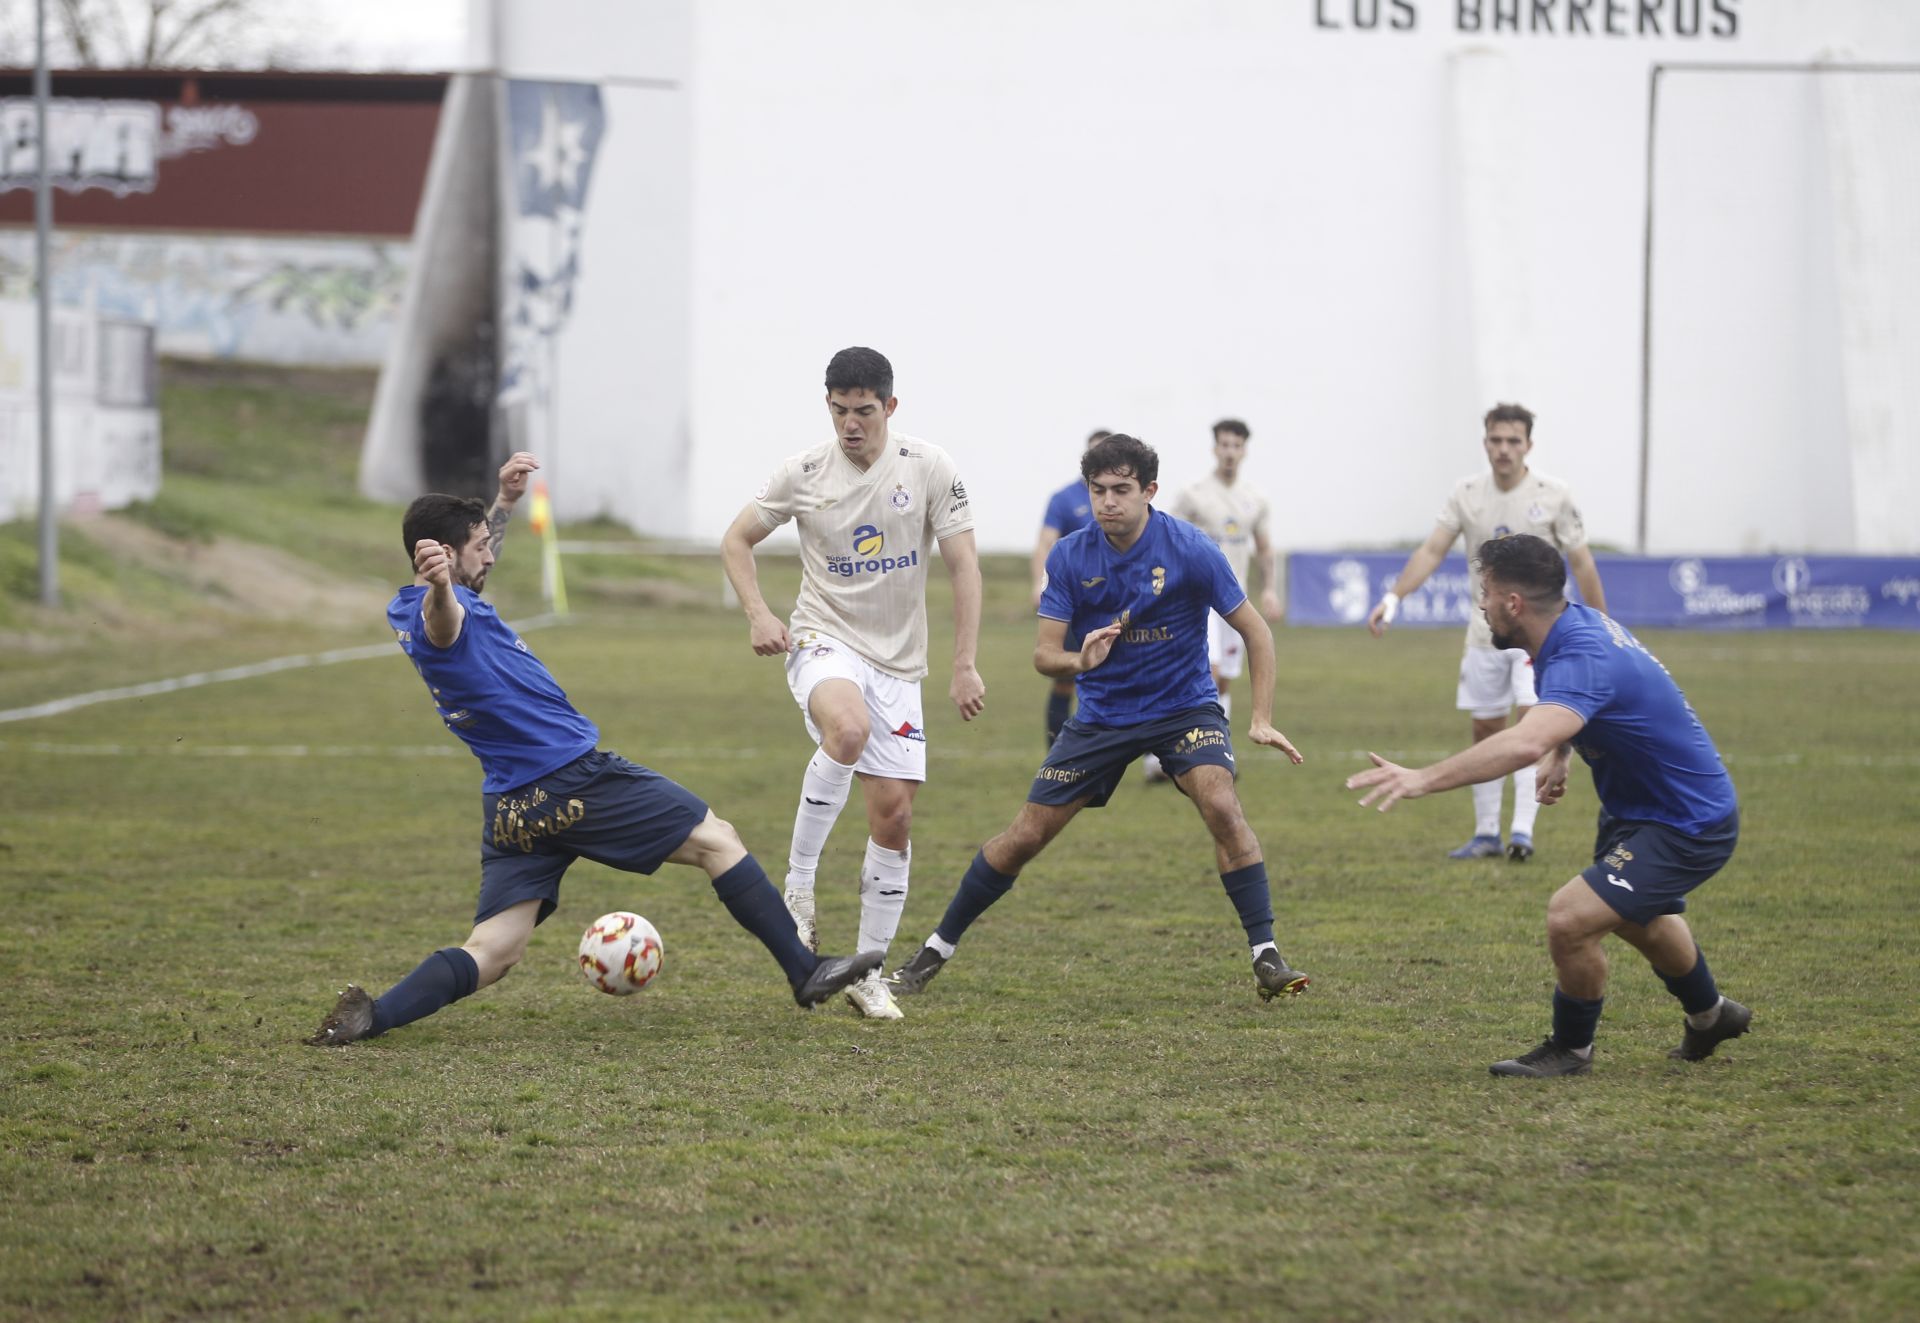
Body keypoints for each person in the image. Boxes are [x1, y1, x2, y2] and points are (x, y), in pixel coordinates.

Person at [307, 455, 881, 1045]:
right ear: (445, 556)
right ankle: (804, 969)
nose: (490, 553)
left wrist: (502, 505)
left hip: (511, 806)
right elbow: (444, 625)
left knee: (494, 949)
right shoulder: (436, 609)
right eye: (478, 545)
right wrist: (440, 587)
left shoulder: (408, 603)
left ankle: (373, 1016)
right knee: (718, 839)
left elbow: (460, 585)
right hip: (571, 780)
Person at [888, 434, 1312, 1002]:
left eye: (1121, 490)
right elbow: (1044, 655)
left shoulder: (1190, 548)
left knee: (1221, 803)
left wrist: (1259, 717)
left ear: (1149, 491)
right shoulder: (1070, 555)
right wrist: (1079, 659)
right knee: (1024, 837)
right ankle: (934, 951)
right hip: (1103, 717)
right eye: (1097, 491)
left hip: (1184, 707)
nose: (1107, 501)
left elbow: (1255, 631)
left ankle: (1266, 955)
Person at [1348, 533, 1751, 1078]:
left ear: (1513, 603)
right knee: (1636, 918)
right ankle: (1712, 1016)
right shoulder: (1565, 627)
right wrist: (1562, 751)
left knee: (1571, 918)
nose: (1481, 604)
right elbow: (1562, 715)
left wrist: (1422, 779)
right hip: (1640, 810)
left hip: (1688, 820)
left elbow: (1520, 741)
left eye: (1486, 592)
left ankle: (1571, 1050)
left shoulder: (1581, 653)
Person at [720, 347, 985, 1021]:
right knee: (847, 728)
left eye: (864, 411)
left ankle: (869, 973)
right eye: (838, 410)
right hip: (822, 638)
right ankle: (799, 886)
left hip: (899, 665)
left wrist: (962, 663)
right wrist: (758, 612)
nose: (850, 425)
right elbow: (736, 540)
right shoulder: (804, 471)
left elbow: (964, 566)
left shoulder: (929, 468)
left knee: (893, 816)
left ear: (890, 408)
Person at [1366, 403, 1607, 862]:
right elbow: (1432, 550)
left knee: (1531, 722)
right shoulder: (1467, 493)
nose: (1504, 449)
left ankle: (1522, 831)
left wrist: (1601, 625)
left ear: (1529, 446)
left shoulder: (1554, 495)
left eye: (1513, 441)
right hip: (1486, 635)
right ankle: (1486, 833)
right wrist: (1394, 597)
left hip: (1540, 637)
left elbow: (1583, 562)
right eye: (1496, 440)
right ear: (1486, 443)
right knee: (1485, 728)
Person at [1146, 418, 1283, 782]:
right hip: (1197, 600)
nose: (1229, 452)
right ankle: (1186, 756)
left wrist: (1269, 588)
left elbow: (1265, 549)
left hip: (1234, 603)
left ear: (1244, 450)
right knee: (1209, 672)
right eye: (1224, 445)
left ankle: (1206, 750)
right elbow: (1163, 539)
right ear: (1214, 448)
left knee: (1221, 683)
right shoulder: (1193, 494)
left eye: (1236, 446)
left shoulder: (1256, 498)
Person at [1033, 428, 1111, 746]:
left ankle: (1149, 756)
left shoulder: (1119, 495)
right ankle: (1056, 751)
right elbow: (1045, 543)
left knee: (1120, 679)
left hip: (1112, 604)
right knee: (1065, 680)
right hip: (1072, 604)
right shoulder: (1065, 499)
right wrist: (1039, 583)